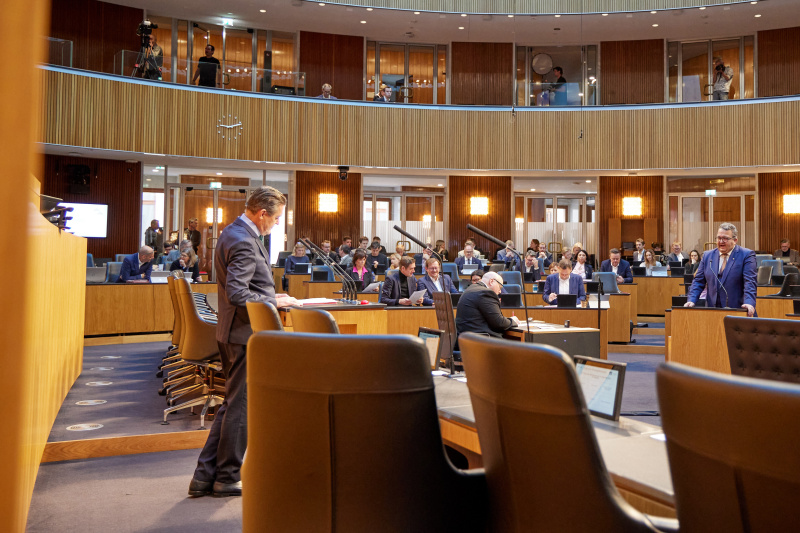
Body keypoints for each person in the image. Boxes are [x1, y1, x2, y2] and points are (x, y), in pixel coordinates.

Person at [190, 186, 296, 498]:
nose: (275, 224)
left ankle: (204, 476)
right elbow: (238, 293)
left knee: (231, 405)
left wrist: (271, 295)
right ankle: (227, 476)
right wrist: (274, 301)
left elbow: (243, 287)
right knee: (241, 405)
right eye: (275, 219)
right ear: (262, 213)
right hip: (244, 334)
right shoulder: (244, 240)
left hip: (232, 331)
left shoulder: (233, 232)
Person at [686, 222, 756, 316]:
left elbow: (750, 282)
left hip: (738, 311)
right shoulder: (707, 256)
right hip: (712, 312)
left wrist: (749, 302)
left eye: (725, 238)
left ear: (735, 240)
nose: (721, 241)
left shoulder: (746, 255)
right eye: (719, 238)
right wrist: (691, 300)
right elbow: (698, 281)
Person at [456, 271, 518, 338]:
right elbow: (499, 323)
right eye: (500, 287)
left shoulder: (471, 288)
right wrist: (513, 321)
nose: (500, 291)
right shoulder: (485, 292)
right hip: (480, 341)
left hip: (467, 340)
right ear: (491, 281)